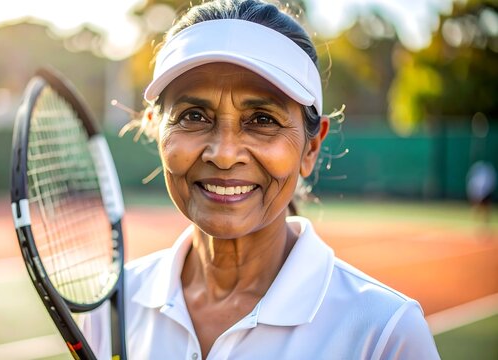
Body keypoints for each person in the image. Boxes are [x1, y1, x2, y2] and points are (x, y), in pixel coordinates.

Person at [81, 0, 441, 358]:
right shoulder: (110, 310)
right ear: (155, 130)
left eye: (262, 120)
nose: (223, 154)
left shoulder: (385, 334)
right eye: (193, 115)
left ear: (311, 148)